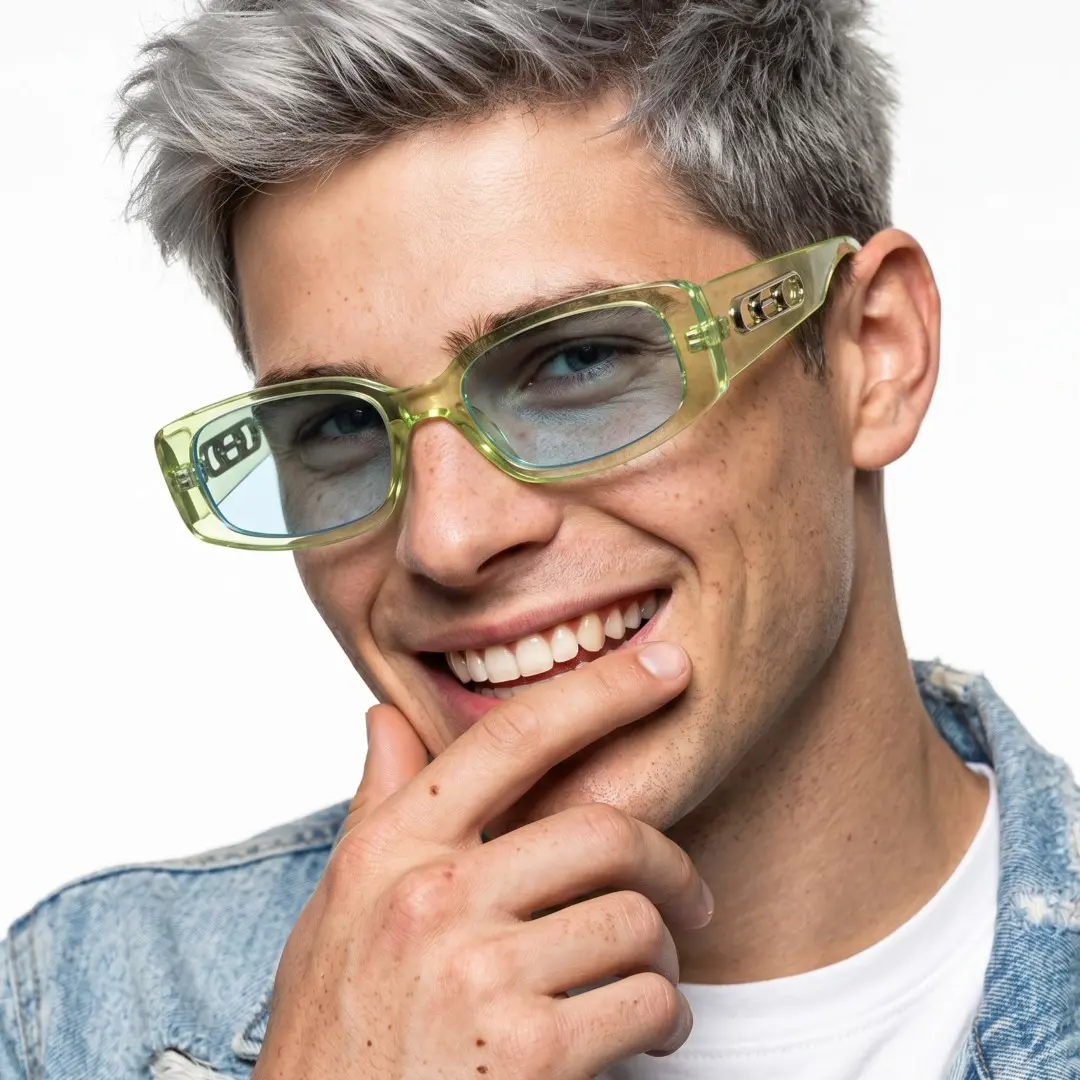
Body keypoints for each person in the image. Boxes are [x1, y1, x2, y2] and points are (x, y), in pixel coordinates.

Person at [2, 0, 1077, 1077]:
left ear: (870, 353)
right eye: (338, 424)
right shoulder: (74, 1016)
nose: (447, 535)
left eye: (577, 363)